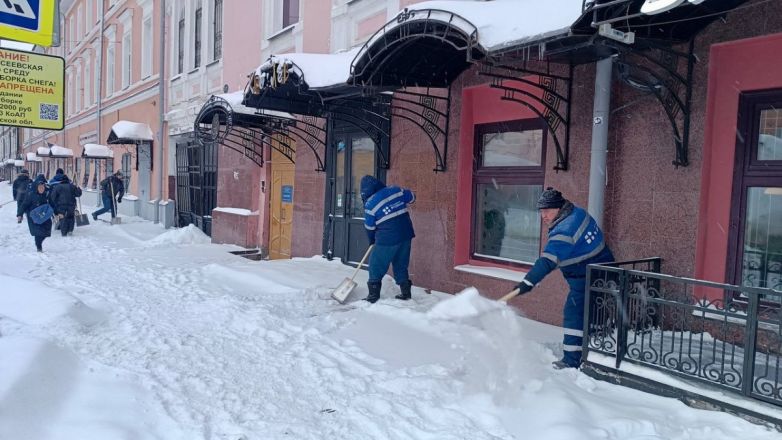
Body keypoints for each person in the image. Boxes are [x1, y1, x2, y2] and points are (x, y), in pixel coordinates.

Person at [511, 187, 614, 370]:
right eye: (541, 211)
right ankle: (594, 346)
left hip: (588, 276)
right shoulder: (577, 212)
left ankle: (572, 360)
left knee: (574, 313)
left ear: (559, 208)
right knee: (593, 311)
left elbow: (547, 262)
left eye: (547, 211)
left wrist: (528, 282)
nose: (543, 216)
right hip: (603, 267)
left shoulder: (565, 231)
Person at [360, 175, 416, 303]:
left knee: (376, 264)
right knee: (401, 263)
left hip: (387, 238)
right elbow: (412, 197)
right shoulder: (396, 190)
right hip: (406, 234)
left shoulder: (370, 204)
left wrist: (371, 240)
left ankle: (373, 296)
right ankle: (406, 293)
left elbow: (369, 227)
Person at [17, 175, 52, 252]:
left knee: (46, 231)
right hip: (34, 217)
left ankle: (39, 243)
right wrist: (20, 214)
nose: (41, 189)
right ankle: (39, 247)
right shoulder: (31, 195)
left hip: (44, 216)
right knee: (38, 232)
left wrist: (56, 212)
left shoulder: (47, 194)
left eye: (43, 187)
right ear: (36, 187)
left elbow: (52, 204)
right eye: (40, 187)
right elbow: (24, 204)